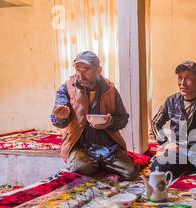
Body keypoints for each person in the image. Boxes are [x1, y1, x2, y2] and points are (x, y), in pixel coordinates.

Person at [51, 51, 139, 181]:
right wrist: (60, 117)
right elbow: (57, 118)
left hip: (106, 143)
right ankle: (98, 163)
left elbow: (123, 118)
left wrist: (110, 122)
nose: (80, 75)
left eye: (86, 69)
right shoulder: (67, 88)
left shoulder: (110, 90)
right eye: (77, 69)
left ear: (98, 70)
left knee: (130, 171)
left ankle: (101, 162)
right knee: (83, 167)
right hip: (79, 143)